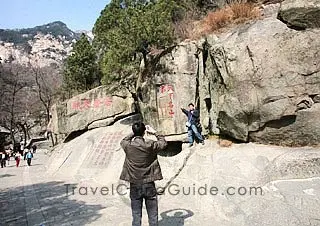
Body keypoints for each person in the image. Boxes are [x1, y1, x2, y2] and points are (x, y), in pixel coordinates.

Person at [120, 122, 168, 226]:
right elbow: (163, 143)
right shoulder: (150, 145)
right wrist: (155, 132)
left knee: (136, 215)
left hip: (134, 184)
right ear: (144, 132)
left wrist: (134, 133)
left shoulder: (128, 146)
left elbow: (123, 140)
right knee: (153, 215)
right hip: (149, 183)